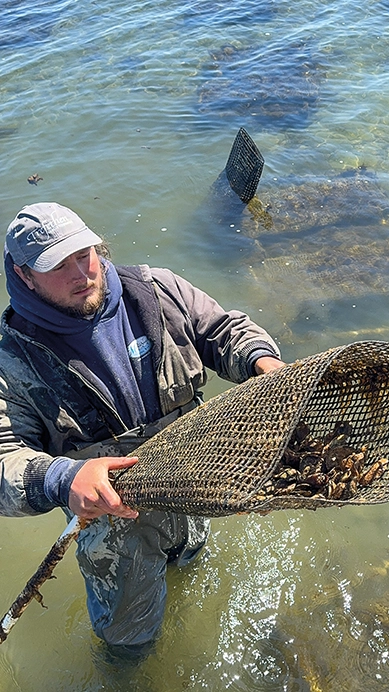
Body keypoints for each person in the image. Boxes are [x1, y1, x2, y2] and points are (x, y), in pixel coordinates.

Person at [0, 202, 286, 655]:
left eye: (84, 253)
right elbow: (4, 461)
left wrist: (263, 364)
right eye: (57, 264)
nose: (82, 273)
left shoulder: (157, 290)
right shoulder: (10, 360)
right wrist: (65, 478)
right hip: (115, 525)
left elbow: (222, 331)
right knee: (129, 643)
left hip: (192, 482)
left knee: (192, 564)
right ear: (24, 275)